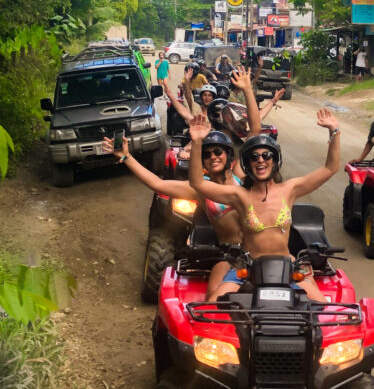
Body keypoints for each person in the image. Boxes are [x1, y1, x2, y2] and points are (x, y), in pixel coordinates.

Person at [188, 108, 341, 303]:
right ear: (247, 164)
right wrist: (196, 141)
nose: (260, 160)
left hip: (287, 267)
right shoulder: (239, 195)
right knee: (210, 309)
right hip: (247, 269)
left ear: (275, 161)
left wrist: (334, 131)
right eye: (254, 157)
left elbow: (330, 168)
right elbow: (197, 183)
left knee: (324, 310)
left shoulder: (290, 189)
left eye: (266, 155)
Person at [101, 129, 246, 300]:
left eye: (217, 151)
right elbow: (157, 183)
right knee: (214, 302)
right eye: (206, 155)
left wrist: (266, 100)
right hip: (229, 254)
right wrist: (126, 156)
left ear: (228, 155)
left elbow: (254, 130)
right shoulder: (199, 188)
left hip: (254, 250)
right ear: (202, 162)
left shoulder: (240, 179)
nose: (213, 157)